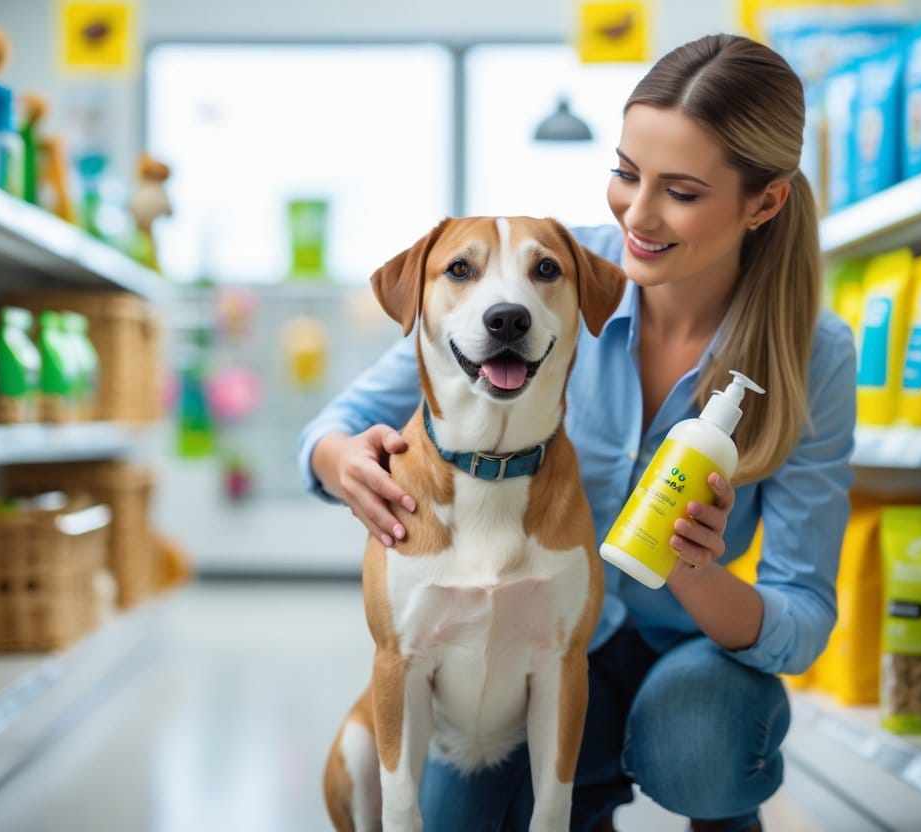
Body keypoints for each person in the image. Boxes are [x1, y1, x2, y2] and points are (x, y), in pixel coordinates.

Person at [298, 33, 856, 832]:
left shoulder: (812, 352)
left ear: (762, 202)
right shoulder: (545, 275)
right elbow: (349, 417)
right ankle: (584, 789)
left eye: (683, 191)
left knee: (701, 747)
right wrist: (338, 456)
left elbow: (800, 616)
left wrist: (694, 570)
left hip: (686, 649)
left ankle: (705, 803)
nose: (638, 213)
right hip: (537, 654)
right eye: (626, 174)